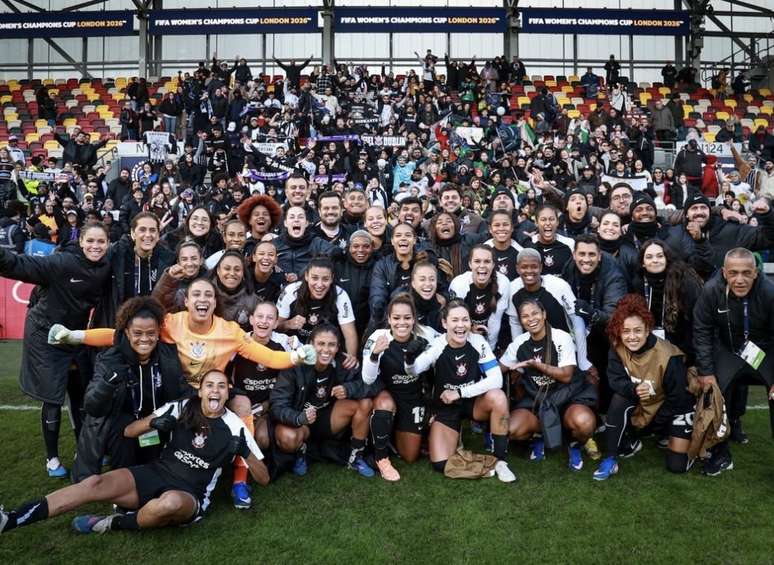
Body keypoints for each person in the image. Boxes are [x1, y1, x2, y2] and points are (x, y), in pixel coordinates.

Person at [0, 370, 269, 535]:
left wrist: (244, 451)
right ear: (200, 390)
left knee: (169, 504)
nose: (215, 390)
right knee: (93, 483)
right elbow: (130, 432)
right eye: (210, 385)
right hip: (157, 473)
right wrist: (155, 423)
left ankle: (113, 523)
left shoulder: (235, 427)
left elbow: (263, 478)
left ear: (227, 393)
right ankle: (10, 519)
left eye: (221, 386)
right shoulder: (183, 406)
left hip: (190, 493)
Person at [50, 278, 316, 388]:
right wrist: (75, 336)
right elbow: (122, 335)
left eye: (208, 295)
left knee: (241, 407)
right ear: (187, 301)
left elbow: (269, 357)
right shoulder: (169, 323)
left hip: (211, 395)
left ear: (214, 303)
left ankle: (239, 477)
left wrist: (297, 357)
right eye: (196, 294)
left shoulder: (231, 332)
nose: (203, 299)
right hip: (172, 392)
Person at [0, 222, 112, 478]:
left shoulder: (106, 265)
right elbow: (19, 265)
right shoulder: (62, 262)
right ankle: (52, 459)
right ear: (80, 242)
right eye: (90, 241)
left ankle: (85, 449)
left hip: (75, 335)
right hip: (45, 335)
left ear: (108, 244)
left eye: (101, 242)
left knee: (81, 393)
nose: (95, 246)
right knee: (52, 397)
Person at [74, 297, 190, 481]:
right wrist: (108, 383)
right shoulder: (110, 358)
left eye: (151, 333)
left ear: (159, 332)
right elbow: (92, 407)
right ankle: (120, 479)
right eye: (137, 333)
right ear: (127, 332)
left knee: (152, 473)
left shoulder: (168, 355)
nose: (144, 339)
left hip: (154, 423)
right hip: (121, 429)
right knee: (123, 440)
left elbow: (181, 390)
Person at [404, 300, 517, 483]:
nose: (460, 325)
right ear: (444, 323)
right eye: (455, 320)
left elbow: (496, 379)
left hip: (473, 403)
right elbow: (414, 370)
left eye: (465, 320)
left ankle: (501, 460)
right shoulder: (437, 345)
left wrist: (460, 392)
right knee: (440, 463)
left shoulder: (478, 342)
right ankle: (483, 461)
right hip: (446, 407)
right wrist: (409, 359)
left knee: (498, 397)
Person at [594, 295, 696, 480]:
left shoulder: (669, 356)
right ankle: (610, 458)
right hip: (646, 403)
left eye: (637, 330)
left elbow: (678, 398)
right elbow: (615, 380)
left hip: (674, 407)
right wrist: (633, 389)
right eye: (626, 331)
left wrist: (656, 424)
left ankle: (691, 445)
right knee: (619, 398)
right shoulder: (617, 347)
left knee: (677, 465)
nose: (632, 337)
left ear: (648, 330)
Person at [692, 248, 774, 476]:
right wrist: (706, 371)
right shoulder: (711, 291)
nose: (740, 279)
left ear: (756, 272)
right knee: (714, 390)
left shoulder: (769, 292)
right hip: (728, 350)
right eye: (733, 273)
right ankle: (720, 453)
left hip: (763, 352)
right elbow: (702, 331)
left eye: (746, 273)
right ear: (724, 272)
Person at [501, 299, 597, 470]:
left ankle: (574, 443)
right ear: (520, 321)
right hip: (538, 400)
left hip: (567, 398)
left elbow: (566, 376)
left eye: (535, 313)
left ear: (544, 314)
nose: (531, 319)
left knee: (584, 423)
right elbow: (498, 369)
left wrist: (537, 365)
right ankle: (538, 436)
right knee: (512, 429)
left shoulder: (561, 337)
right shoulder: (519, 343)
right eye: (525, 316)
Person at [271, 324, 377, 478]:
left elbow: (372, 384)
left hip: (328, 418)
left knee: (365, 403)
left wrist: (348, 388)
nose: (326, 350)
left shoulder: (344, 362)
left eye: (331, 345)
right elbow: (277, 405)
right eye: (320, 344)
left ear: (338, 347)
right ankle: (301, 450)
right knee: (287, 438)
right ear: (310, 344)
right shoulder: (295, 365)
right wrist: (299, 418)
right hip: (300, 421)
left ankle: (356, 456)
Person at [362, 294, 439, 480]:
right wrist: (374, 354)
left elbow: (448, 343)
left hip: (413, 398)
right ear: (389, 319)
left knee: (410, 456)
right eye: (396, 318)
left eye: (407, 318)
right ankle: (381, 458)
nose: (401, 323)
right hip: (386, 395)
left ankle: (390, 437)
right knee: (385, 403)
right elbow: (368, 379)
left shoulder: (426, 336)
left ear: (414, 319)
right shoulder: (378, 337)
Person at [277, 257, 359, 364]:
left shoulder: (340, 295)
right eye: (315, 278)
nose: (319, 285)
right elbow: (275, 327)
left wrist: (351, 357)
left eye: (325, 279)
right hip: (295, 349)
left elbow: (350, 334)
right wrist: (288, 324)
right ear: (306, 276)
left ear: (332, 278)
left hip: (326, 350)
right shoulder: (291, 291)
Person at [634, 239, 703, 363]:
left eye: (660, 256)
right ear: (643, 263)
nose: (655, 260)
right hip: (649, 346)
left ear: (667, 258)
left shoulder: (683, 279)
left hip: (681, 347)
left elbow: (693, 322)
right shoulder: (638, 283)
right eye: (649, 257)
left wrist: (689, 358)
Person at [449, 245, 510, 351]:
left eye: (487, 261)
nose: (482, 266)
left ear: (493, 264)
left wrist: (489, 350)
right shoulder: (459, 284)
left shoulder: (503, 283)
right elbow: (454, 321)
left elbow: (495, 321)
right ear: (470, 264)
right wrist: (470, 330)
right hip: (462, 330)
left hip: (487, 333)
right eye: (477, 261)